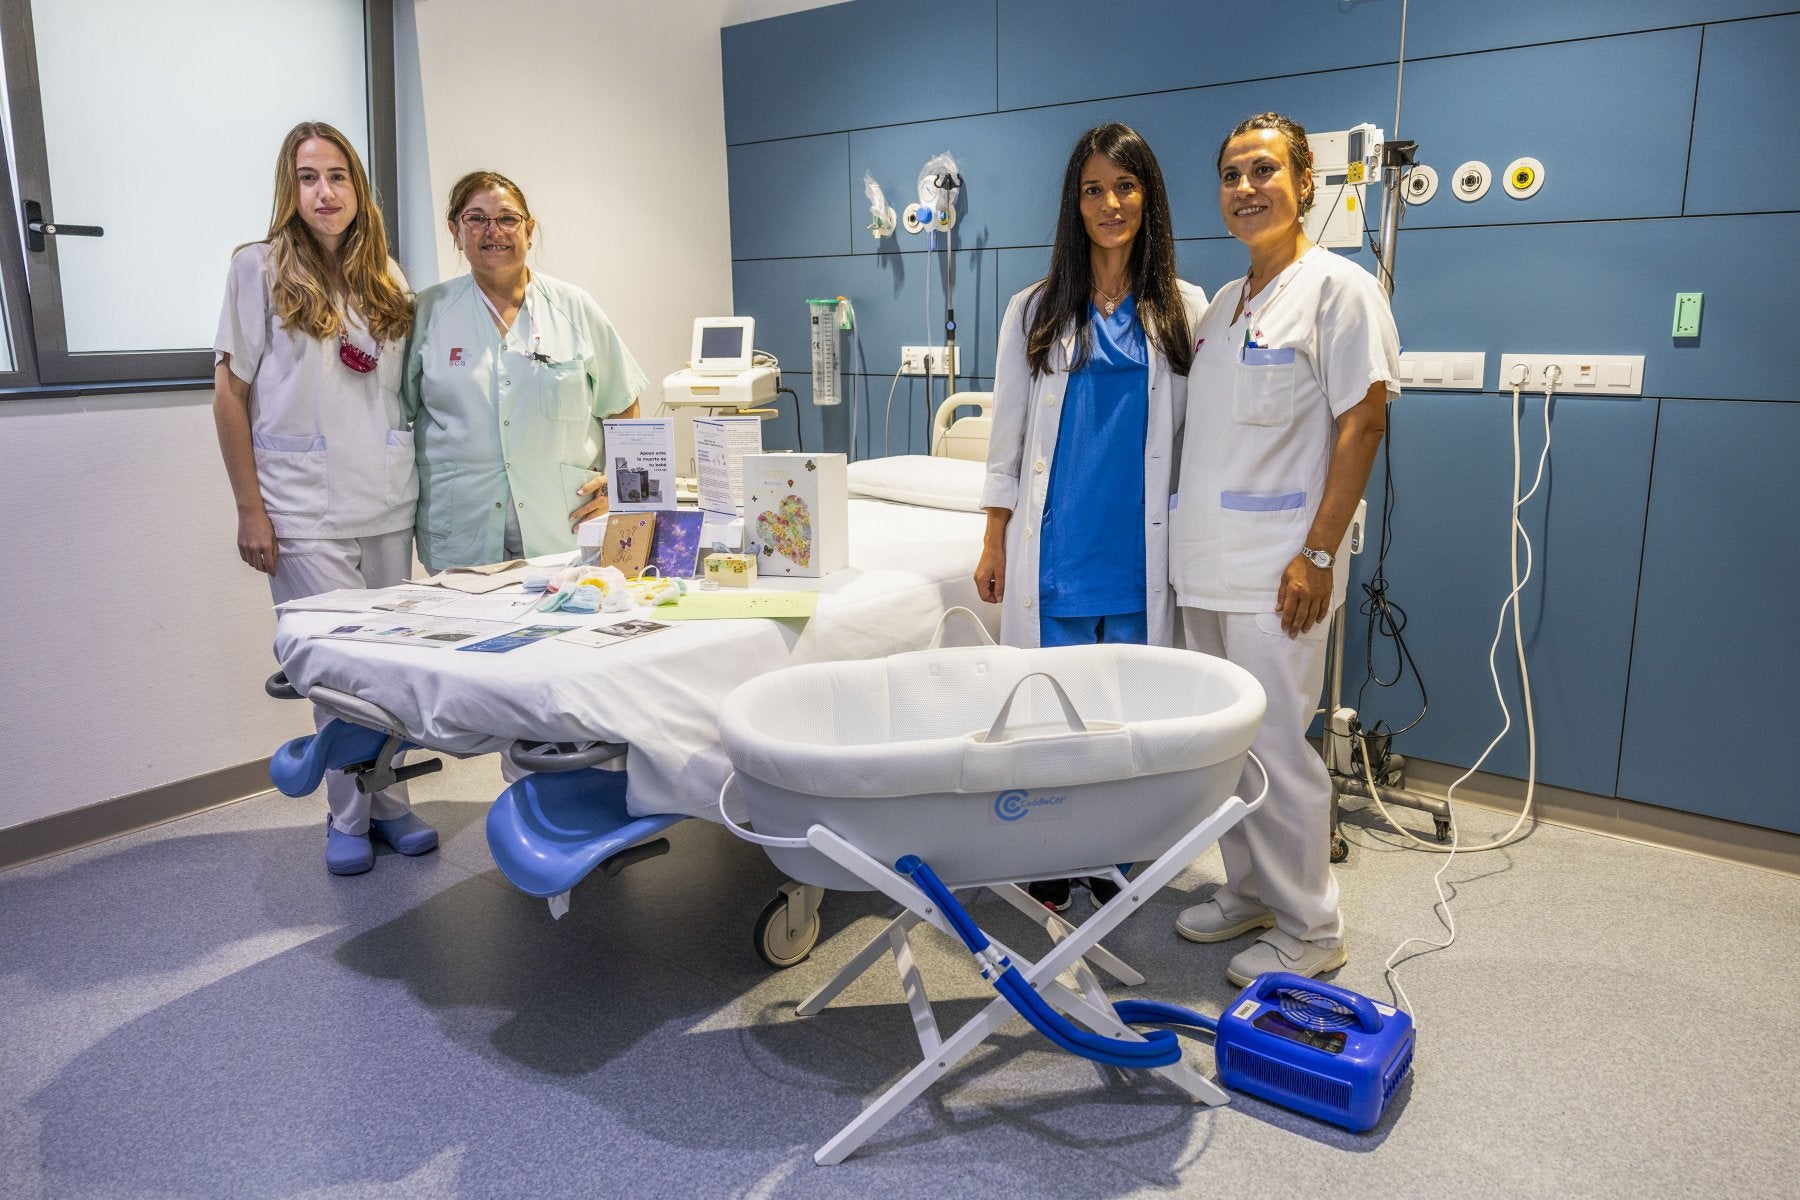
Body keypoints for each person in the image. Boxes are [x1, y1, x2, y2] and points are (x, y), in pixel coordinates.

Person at [1168, 113, 1397, 985]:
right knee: (1225, 748)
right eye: (1230, 174)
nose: (1245, 188)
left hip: (1281, 571)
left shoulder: (1338, 290)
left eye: (1263, 170)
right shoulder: (1224, 305)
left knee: (1275, 749)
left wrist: (1320, 555)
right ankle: (1252, 889)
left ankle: (1312, 927)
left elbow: (1363, 421)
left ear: (1306, 181)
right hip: (1208, 567)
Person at [974, 123, 1206, 912]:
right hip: (1059, 550)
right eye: (1093, 190)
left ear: (1150, 197)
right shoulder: (1034, 310)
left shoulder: (1184, 308)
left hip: (1141, 555)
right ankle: (1051, 853)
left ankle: (1114, 854)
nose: (1110, 204)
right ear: (1075, 203)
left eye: (1126, 187)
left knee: (1123, 719)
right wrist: (994, 537)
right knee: (1049, 715)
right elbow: (1006, 436)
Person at [213, 120, 437, 876]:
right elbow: (229, 395)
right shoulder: (258, 269)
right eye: (309, 177)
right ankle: (347, 819)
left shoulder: (388, 278)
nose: (325, 191)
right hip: (301, 507)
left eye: (338, 175)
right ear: (290, 188)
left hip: (384, 498)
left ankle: (391, 805)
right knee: (339, 671)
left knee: (389, 669)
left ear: (357, 186)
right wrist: (251, 509)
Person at [404, 171, 647, 571]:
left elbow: (623, 402)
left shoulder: (574, 308)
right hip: (463, 526)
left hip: (564, 523)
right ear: (455, 231)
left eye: (507, 218)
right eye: (476, 218)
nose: (492, 231)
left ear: (529, 230)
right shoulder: (429, 312)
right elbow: (399, 411)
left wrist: (620, 489)